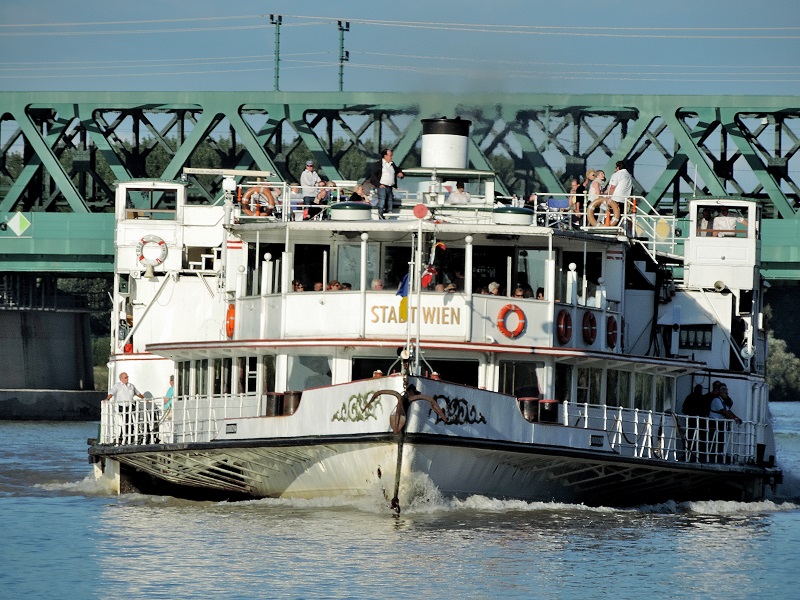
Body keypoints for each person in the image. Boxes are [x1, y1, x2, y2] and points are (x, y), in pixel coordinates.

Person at [105, 372, 145, 444]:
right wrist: (107, 399)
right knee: (126, 421)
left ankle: (130, 436)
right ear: (121, 379)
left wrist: (144, 399)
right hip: (121, 406)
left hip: (130, 405)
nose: (127, 379)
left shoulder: (131, 386)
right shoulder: (117, 386)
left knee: (131, 421)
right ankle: (124, 436)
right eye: (125, 377)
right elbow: (111, 393)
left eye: (127, 377)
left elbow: (137, 393)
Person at [708, 383, 742, 462]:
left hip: (719, 423)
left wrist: (736, 417)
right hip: (714, 423)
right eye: (725, 392)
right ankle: (712, 457)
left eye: (726, 392)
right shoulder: (716, 400)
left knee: (720, 440)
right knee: (714, 440)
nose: (726, 394)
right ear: (720, 392)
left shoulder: (722, 401)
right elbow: (723, 411)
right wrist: (734, 418)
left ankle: (719, 456)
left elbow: (728, 411)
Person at [368, 149, 404, 219]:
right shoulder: (378, 164)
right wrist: (379, 185)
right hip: (382, 186)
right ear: (385, 156)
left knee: (390, 202)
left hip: (390, 186)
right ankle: (380, 217)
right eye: (390, 155)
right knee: (382, 201)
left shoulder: (392, 164)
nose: (392, 157)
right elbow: (373, 176)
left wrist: (400, 173)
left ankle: (388, 216)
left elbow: (397, 169)